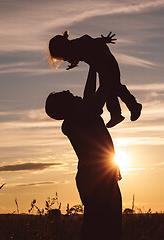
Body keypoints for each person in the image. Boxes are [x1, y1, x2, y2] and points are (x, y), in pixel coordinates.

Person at [45, 66, 122, 240]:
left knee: (102, 228)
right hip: (96, 178)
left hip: (99, 176)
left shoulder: (78, 116)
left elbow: (90, 97)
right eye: (66, 95)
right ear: (63, 106)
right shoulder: (74, 121)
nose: (69, 91)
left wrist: (94, 66)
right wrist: (100, 67)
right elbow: (94, 98)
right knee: (102, 229)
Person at [48, 31, 142, 128]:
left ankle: (133, 106)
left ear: (64, 48)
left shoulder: (79, 44)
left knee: (115, 87)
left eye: (62, 57)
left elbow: (91, 42)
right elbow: (78, 55)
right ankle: (116, 114)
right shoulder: (74, 49)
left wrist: (104, 40)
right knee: (109, 89)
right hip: (101, 66)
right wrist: (73, 64)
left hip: (108, 62)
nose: (64, 59)